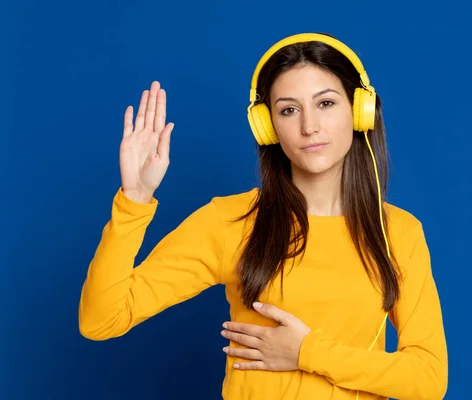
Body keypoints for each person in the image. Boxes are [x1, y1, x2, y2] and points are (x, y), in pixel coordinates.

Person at [78, 33, 448, 400]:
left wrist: (306, 352)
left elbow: (429, 379)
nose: (309, 126)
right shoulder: (231, 221)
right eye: (289, 109)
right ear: (267, 126)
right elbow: (101, 319)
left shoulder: (397, 232)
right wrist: (135, 200)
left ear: (359, 111)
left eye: (326, 103)